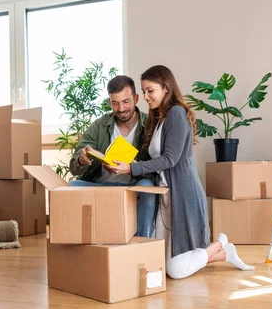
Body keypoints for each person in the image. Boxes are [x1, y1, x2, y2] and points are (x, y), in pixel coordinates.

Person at [105, 65, 254, 279]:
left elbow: (169, 159)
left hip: (183, 195)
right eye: (144, 91)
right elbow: (157, 160)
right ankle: (223, 254)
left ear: (166, 88)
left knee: (175, 271)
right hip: (165, 196)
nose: (146, 97)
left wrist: (131, 168)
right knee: (164, 265)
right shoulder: (158, 118)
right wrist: (128, 166)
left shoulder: (176, 114)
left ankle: (220, 243)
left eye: (150, 91)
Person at [69, 75, 158, 238]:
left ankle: (142, 241)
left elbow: (158, 166)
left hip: (134, 187)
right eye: (115, 103)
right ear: (109, 102)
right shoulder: (100, 125)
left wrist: (131, 169)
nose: (121, 108)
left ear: (136, 98)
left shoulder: (150, 124)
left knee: (149, 187)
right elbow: (74, 167)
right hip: (103, 186)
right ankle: (77, 240)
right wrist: (82, 159)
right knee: (70, 186)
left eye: (126, 102)